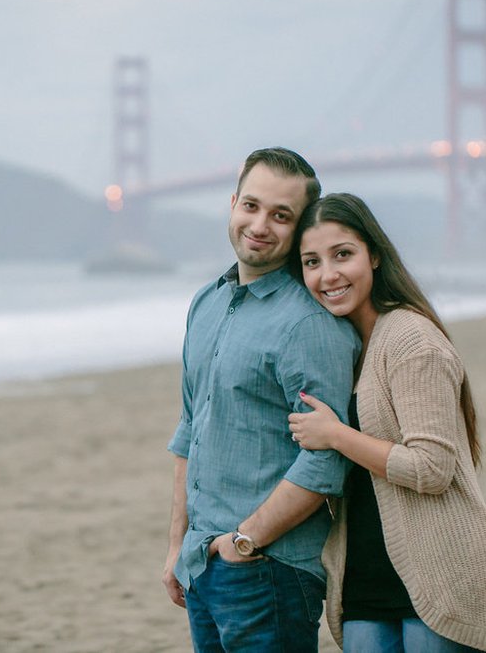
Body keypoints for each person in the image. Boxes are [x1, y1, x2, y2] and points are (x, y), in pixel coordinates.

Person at [287, 193, 486, 653]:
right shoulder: (344, 348)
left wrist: (336, 435)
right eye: (312, 262)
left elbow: (432, 469)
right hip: (366, 582)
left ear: (373, 253)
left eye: (342, 255)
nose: (327, 275)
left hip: (440, 577)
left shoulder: (411, 339)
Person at [162, 148, 362, 652]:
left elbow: (323, 463)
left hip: (268, 570)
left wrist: (244, 542)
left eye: (281, 215)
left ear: (298, 230)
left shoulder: (309, 326)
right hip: (203, 563)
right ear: (232, 203)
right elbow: (190, 428)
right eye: (251, 206)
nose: (260, 224)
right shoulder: (206, 302)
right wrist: (177, 547)